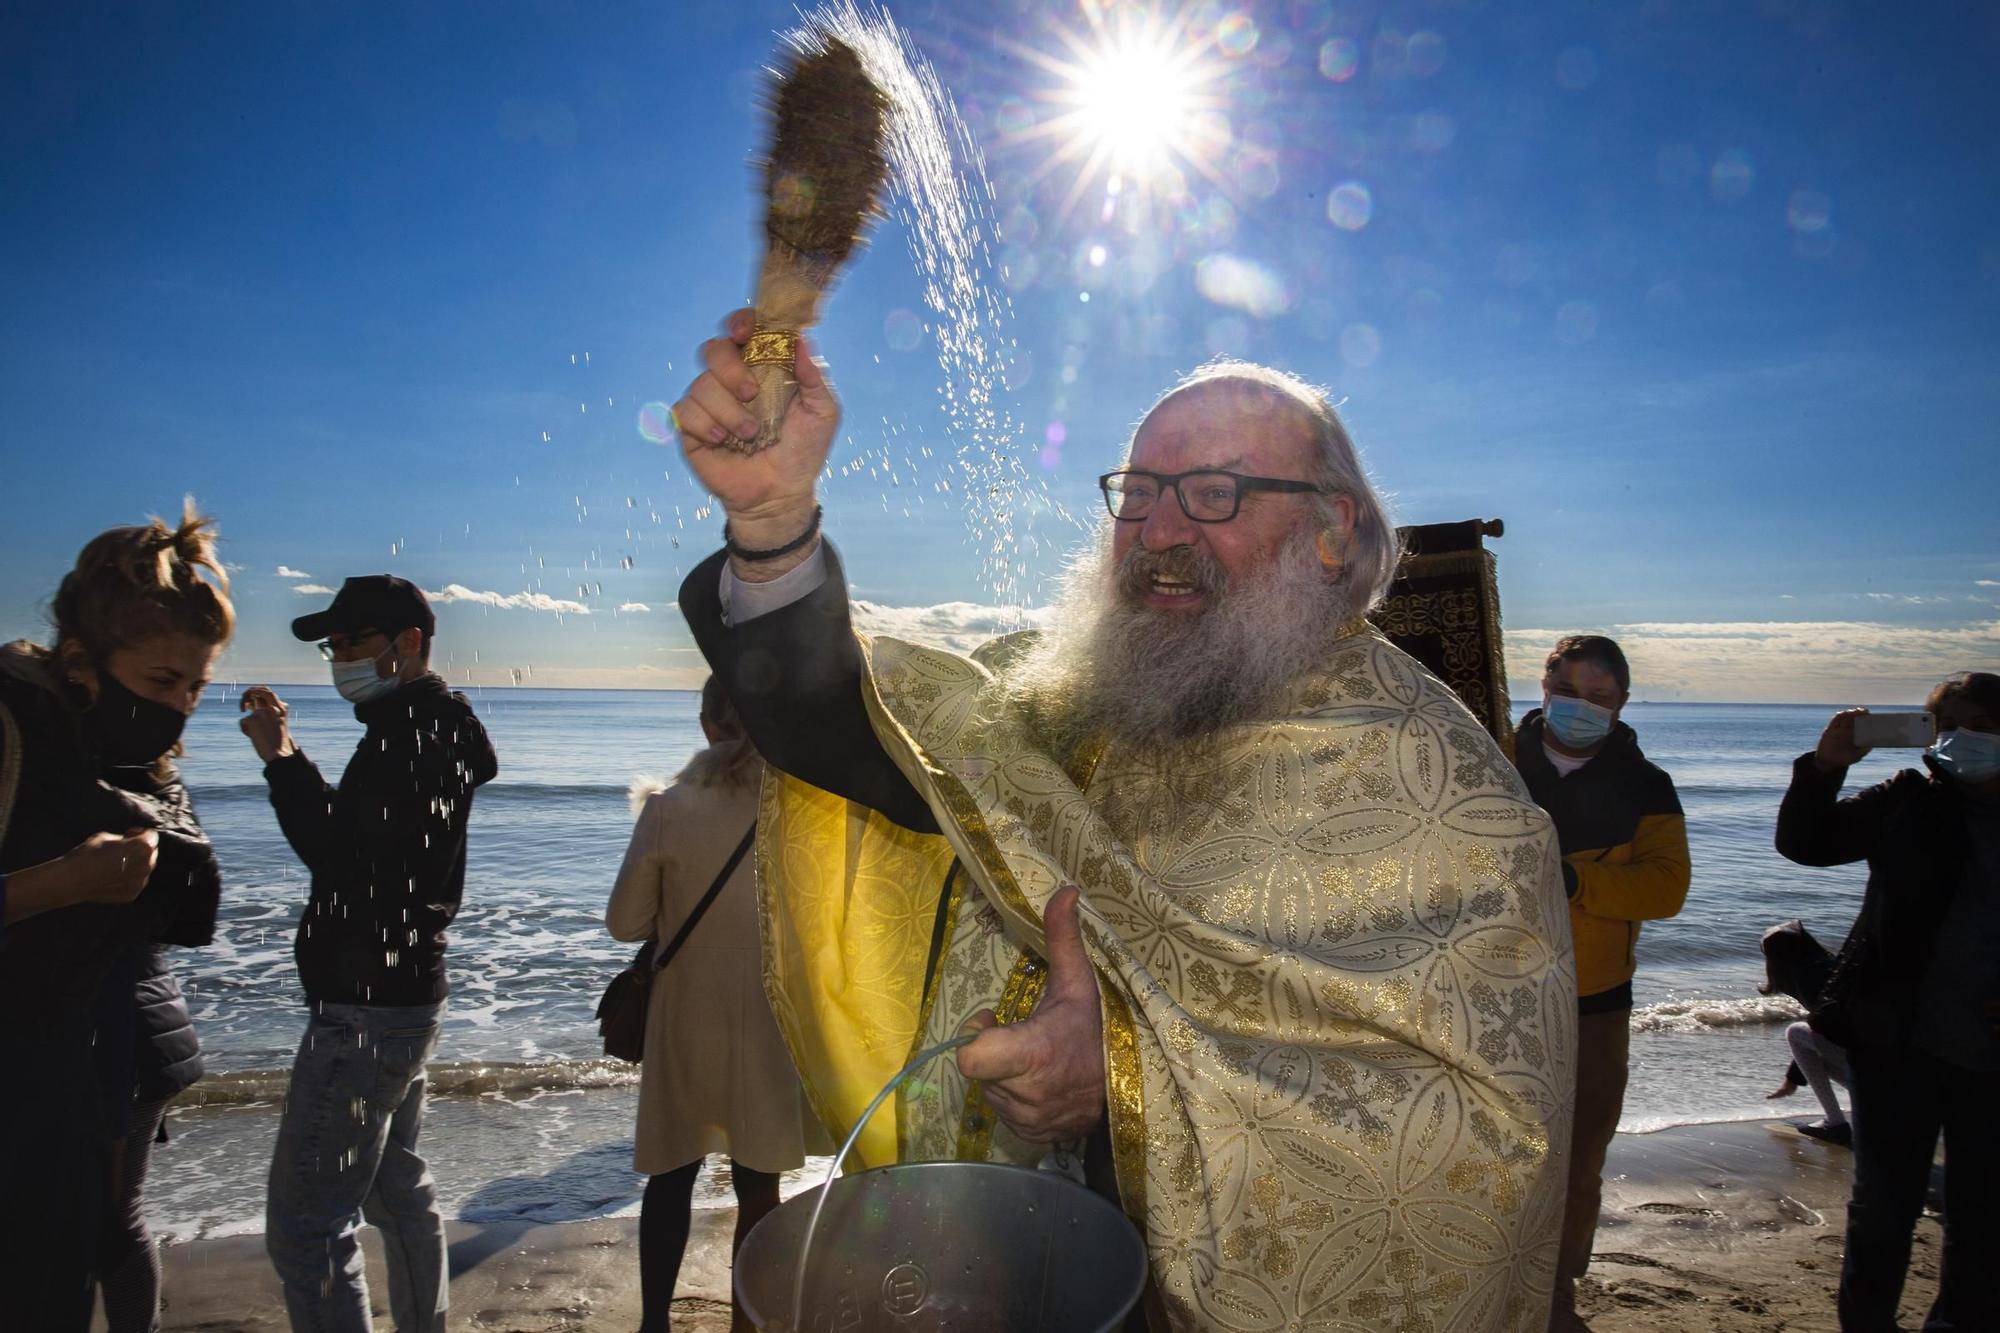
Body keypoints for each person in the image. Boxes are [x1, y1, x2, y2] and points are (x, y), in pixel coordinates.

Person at [667, 309, 1576, 1330]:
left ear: (1330, 529)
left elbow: (1473, 1148)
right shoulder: (1075, 702)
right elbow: (849, 728)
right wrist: (773, 520)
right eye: (1136, 495)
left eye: (1212, 493)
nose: (1159, 534)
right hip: (1031, 1268)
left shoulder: (1444, 792)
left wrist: (1118, 1077)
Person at [239, 575, 497, 1333]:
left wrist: (281, 759)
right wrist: (285, 755)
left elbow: (336, 856)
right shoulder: (418, 728)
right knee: (392, 1192)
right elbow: (359, 848)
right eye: (334, 645)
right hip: (402, 998)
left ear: (406, 643)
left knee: (306, 1226)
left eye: (351, 642)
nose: (337, 657)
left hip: (367, 1011)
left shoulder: (412, 735)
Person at [0, 504, 231, 1332]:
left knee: (82, 1245)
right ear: (81, 661)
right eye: (163, 682)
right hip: (48, 1068)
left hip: (87, 1064)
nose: (183, 706)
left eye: (197, 685)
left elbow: (187, 907)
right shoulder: (18, 733)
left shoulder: (132, 760)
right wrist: (65, 881)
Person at [1777, 674, 2000, 1332]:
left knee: (1983, 1214)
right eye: (1947, 724)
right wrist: (1824, 767)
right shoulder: (1908, 798)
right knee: (1882, 1208)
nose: (1963, 738)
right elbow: (1806, 843)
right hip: (1895, 1045)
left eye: (1980, 724)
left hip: (1991, 1060)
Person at [606, 675, 810, 1333]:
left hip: (685, 1020)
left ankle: (655, 1322)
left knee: (672, 1175)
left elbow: (625, 922)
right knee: (758, 1184)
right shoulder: (799, 810)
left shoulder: (670, 807)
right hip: (769, 1020)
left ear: (707, 724)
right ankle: (749, 1321)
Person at [1509, 634, 1690, 1330]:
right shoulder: (1491, 758)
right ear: (1545, 682)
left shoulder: (1647, 784)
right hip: (1491, 991)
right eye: (1570, 691)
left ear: (1621, 703)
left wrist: (1577, 879)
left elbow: (1667, 886)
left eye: (1600, 698)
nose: (1581, 708)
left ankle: (1557, 1288)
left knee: (1580, 1155)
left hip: (1595, 1001)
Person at [1758, 919, 1853, 1146]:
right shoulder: (1828, 963)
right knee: (1813, 1045)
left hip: (1863, 1056)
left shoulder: (1807, 973)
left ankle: (1835, 1122)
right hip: (1880, 1053)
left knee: (1796, 1033)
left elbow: (1822, 1025)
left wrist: (1791, 1080)